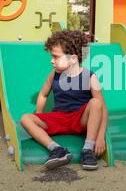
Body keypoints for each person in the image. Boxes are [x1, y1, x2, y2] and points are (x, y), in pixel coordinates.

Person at [20, 30, 108, 171]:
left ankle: (88, 149)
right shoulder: (54, 75)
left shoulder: (90, 77)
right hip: (59, 118)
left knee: (96, 103)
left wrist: (100, 137)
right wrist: (39, 114)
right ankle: (57, 149)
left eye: (55, 57)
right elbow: (43, 94)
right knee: (25, 118)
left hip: (80, 119)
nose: (51, 60)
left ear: (72, 59)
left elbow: (102, 108)